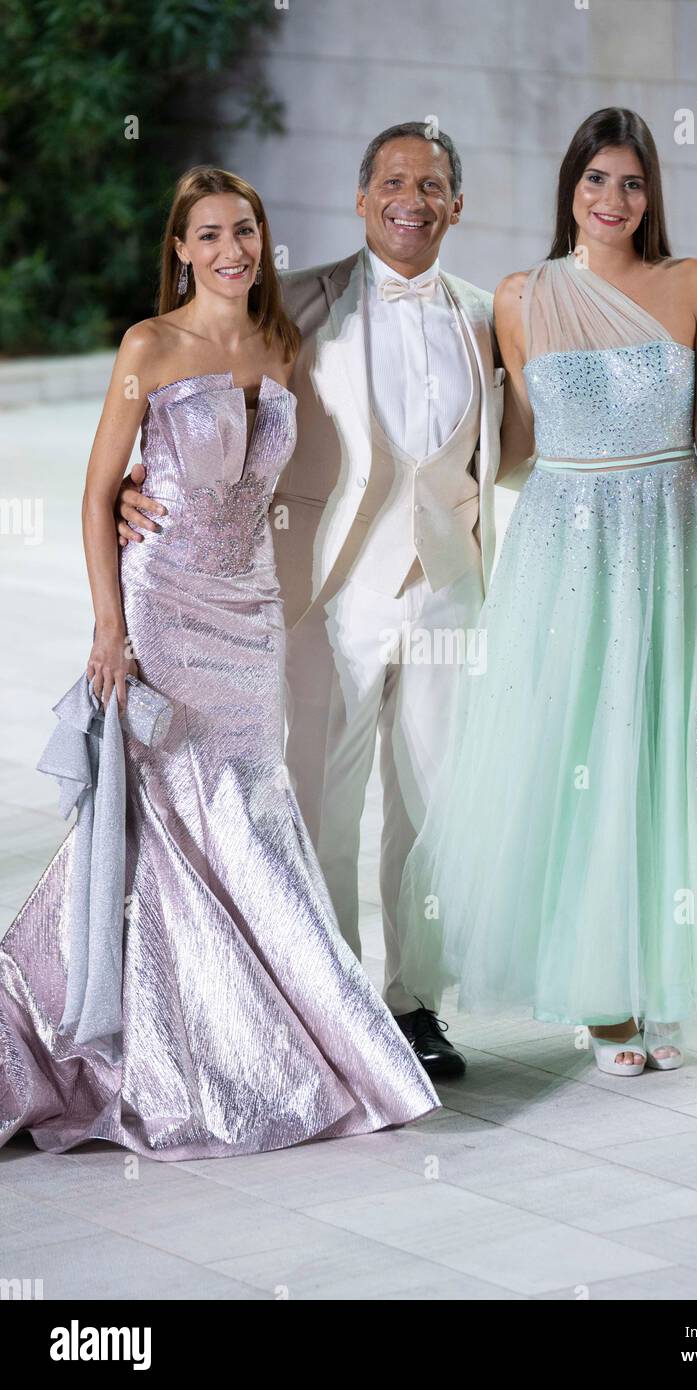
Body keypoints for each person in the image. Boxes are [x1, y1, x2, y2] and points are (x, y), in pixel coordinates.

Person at [0, 165, 439, 1161]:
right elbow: (96, 490)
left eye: (244, 229)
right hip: (161, 604)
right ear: (180, 249)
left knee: (246, 810)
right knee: (156, 817)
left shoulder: (283, 339)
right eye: (208, 234)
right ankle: (129, 1038)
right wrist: (109, 625)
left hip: (250, 614)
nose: (231, 249)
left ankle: (265, 1032)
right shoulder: (148, 347)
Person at [397, 107, 697, 1077]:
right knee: (581, 753)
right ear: (568, 189)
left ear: (650, 194)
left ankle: (660, 978)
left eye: (630, 183)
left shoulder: (691, 284)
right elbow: (512, 447)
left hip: (671, 533)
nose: (612, 200)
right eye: (595, 181)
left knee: (661, 756)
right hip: (564, 546)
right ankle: (600, 995)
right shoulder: (518, 296)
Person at [116, 124, 520, 1079]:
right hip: (328, 593)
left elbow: (529, 439)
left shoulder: (485, 313)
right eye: (390, 180)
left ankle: (416, 1004)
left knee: (435, 806)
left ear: (457, 205)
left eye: (430, 184)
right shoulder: (297, 302)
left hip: (450, 588)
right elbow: (191, 392)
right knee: (323, 805)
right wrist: (142, 487)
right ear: (360, 196)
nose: (409, 197)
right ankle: (333, 996)